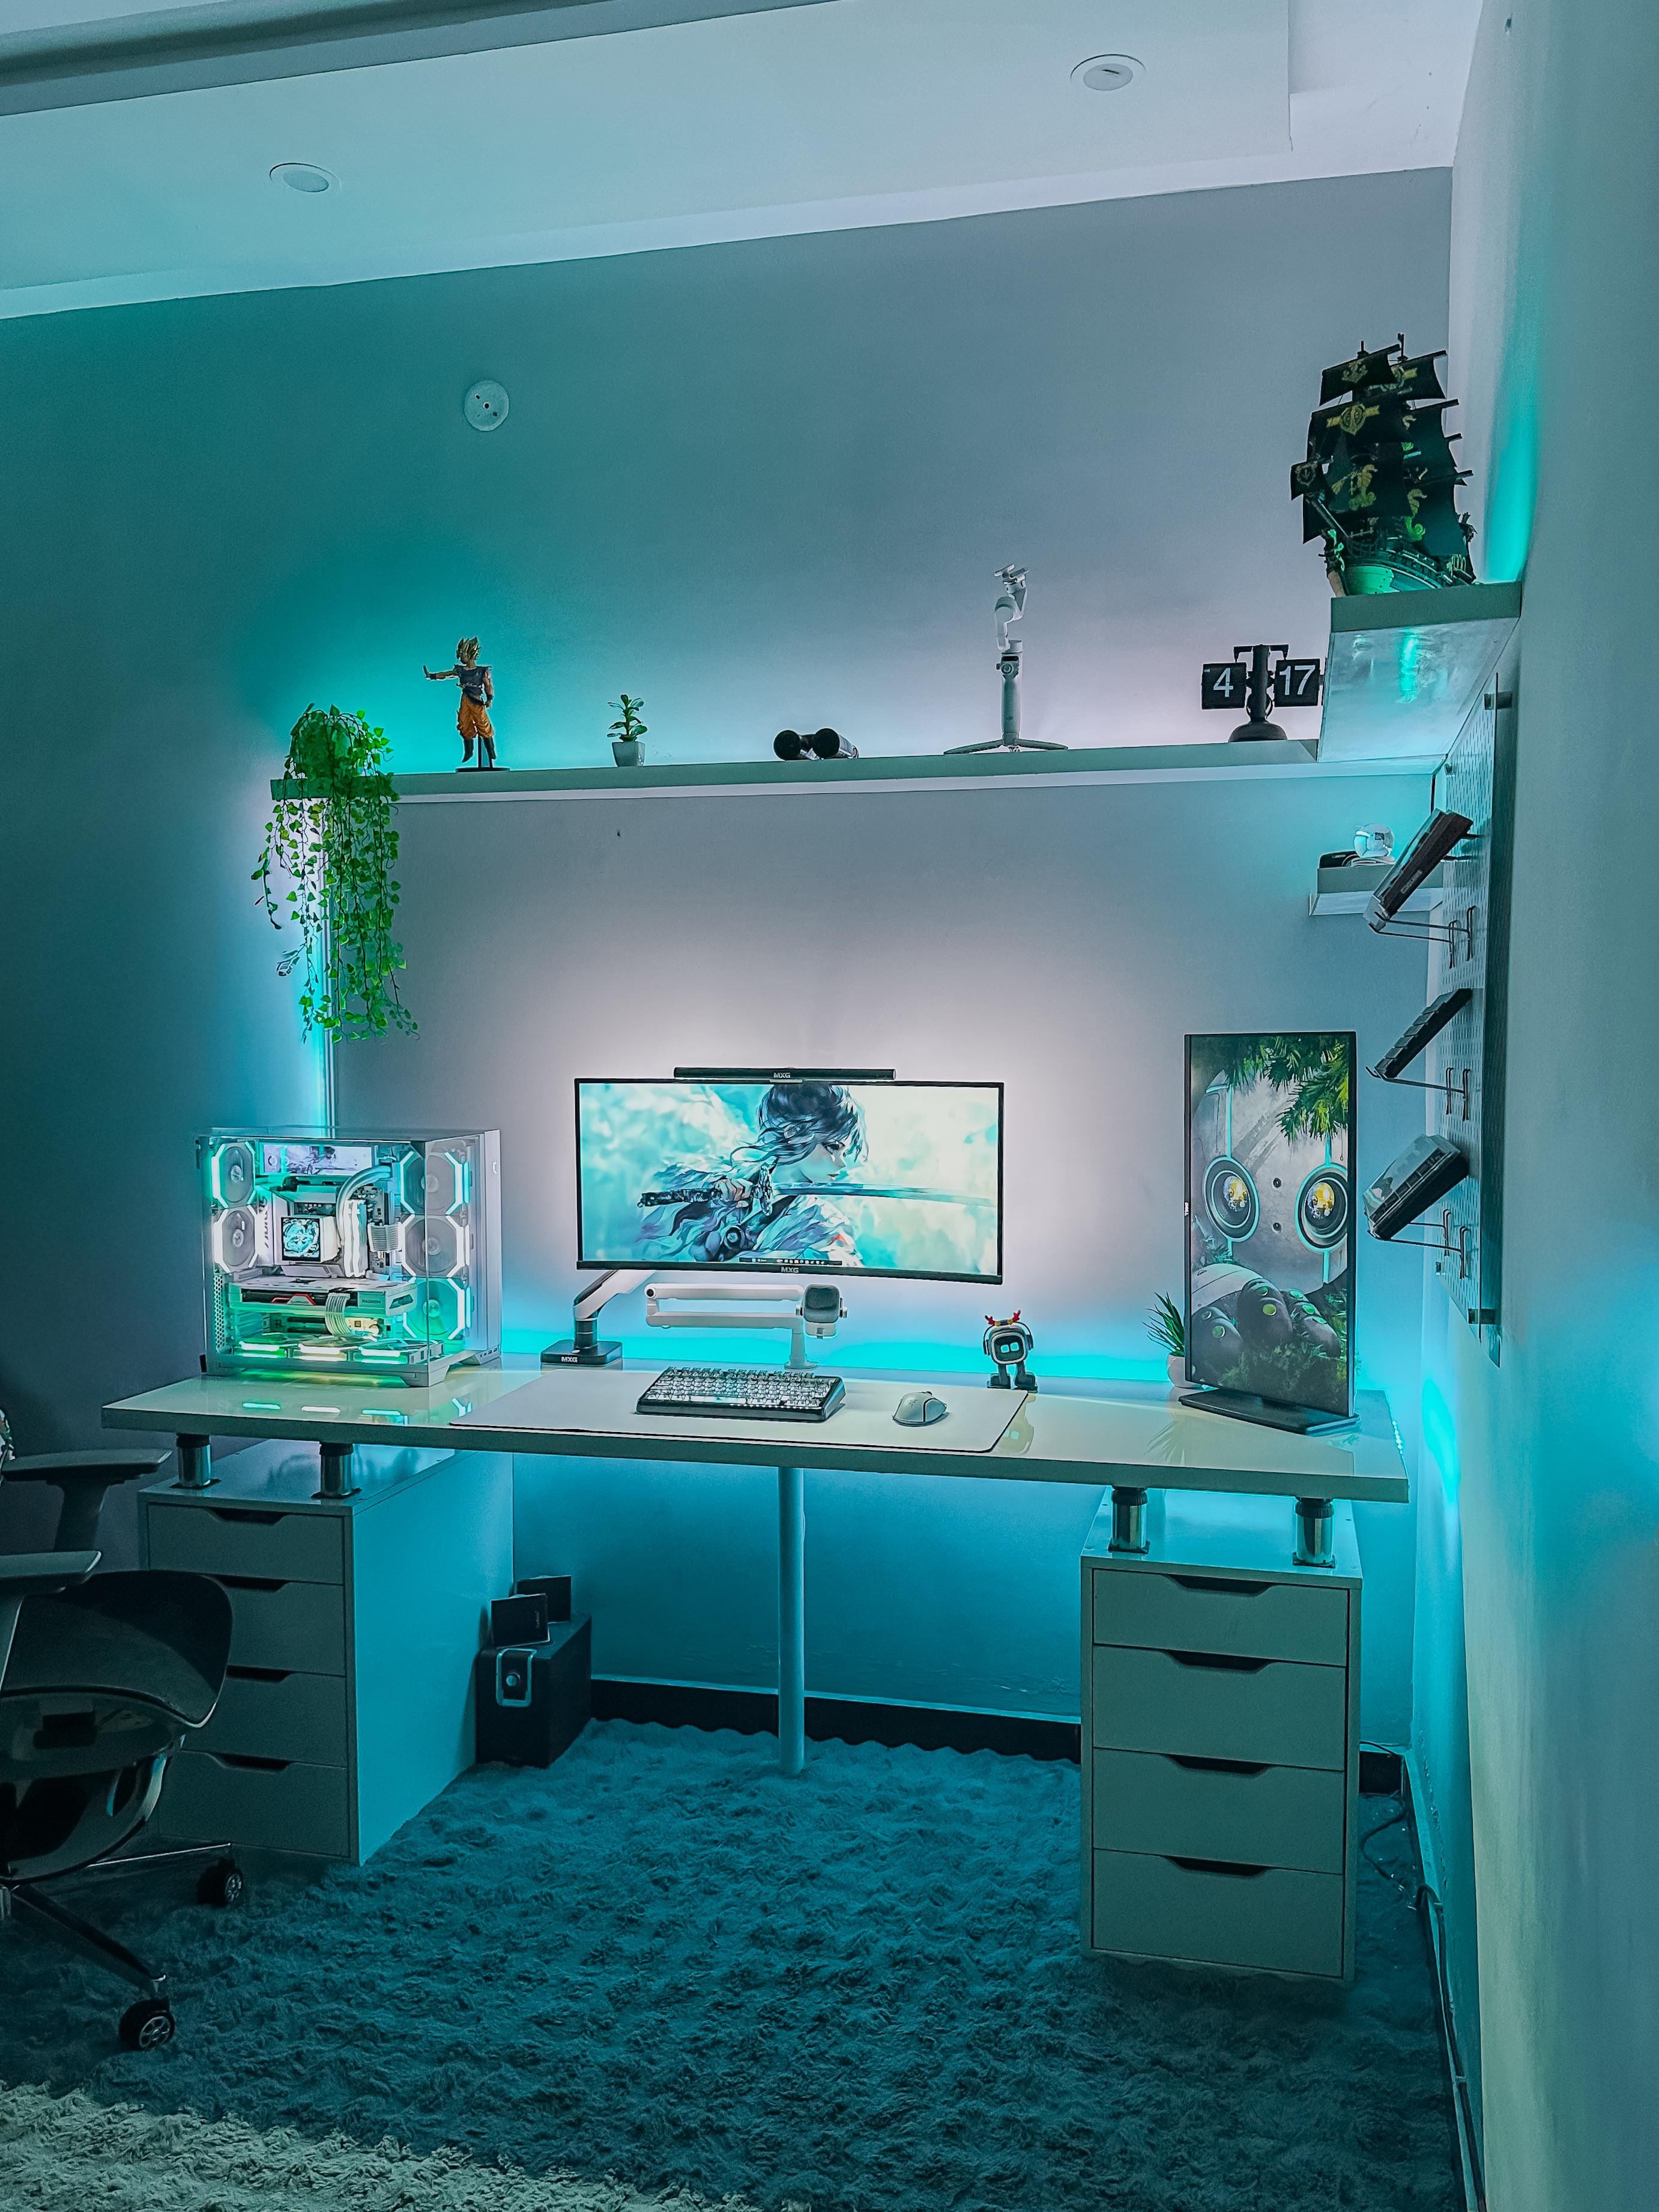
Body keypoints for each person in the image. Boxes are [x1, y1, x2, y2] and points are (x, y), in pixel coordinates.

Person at [635, 1083, 869, 1268]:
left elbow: (844, 1258)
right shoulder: (729, 1173)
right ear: (795, 1133)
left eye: (844, 1152)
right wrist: (714, 1186)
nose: (841, 1163)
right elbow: (658, 1180)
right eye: (832, 1147)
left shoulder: (821, 1219)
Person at [423, 637, 496, 767]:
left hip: (476, 700)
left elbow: (488, 685)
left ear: (470, 654)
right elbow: (447, 674)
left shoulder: (481, 671)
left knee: (483, 723)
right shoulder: (461, 670)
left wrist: (489, 699)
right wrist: (432, 676)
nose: (461, 658)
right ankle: (469, 751)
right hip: (466, 699)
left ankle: (490, 751)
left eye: (463, 654)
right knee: (464, 722)